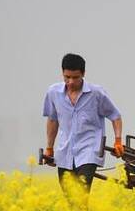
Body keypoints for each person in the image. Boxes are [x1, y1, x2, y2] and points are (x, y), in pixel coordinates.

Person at [43, 53, 124, 192]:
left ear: (83, 74)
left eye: (75, 77)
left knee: (81, 192)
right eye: (67, 77)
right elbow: (52, 120)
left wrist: (118, 140)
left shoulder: (96, 93)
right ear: (62, 73)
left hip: (89, 150)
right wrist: (49, 148)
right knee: (69, 196)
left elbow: (115, 116)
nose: (71, 82)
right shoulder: (53, 93)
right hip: (65, 151)